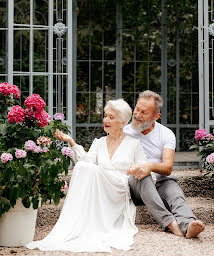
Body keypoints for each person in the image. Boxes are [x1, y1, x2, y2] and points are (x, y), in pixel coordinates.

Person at [26, 99, 182, 253]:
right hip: (101, 190)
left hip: (121, 189)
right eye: (105, 116)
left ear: (122, 122)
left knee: (92, 169)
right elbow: (86, 165)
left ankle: (171, 222)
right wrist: (71, 142)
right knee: (84, 167)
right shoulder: (99, 142)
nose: (106, 120)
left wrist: (135, 169)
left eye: (111, 117)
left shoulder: (133, 143)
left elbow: (146, 173)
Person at [124, 90, 205, 239]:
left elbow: (167, 168)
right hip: (134, 184)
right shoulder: (125, 131)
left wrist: (149, 166)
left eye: (144, 112)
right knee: (143, 174)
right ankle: (170, 223)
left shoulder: (166, 134)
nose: (137, 115)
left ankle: (188, 225)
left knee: (175, 194)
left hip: (160, 182)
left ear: (156, 116)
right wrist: (144, 168)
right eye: (137, 109)